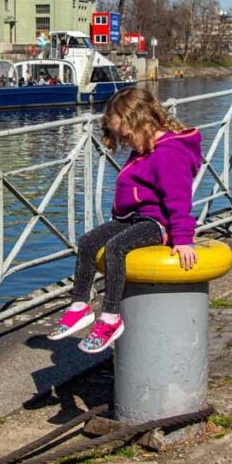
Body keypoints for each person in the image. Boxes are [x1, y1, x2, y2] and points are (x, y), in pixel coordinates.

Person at [47, 87, 202, 353]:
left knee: (117, 248)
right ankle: (79, 306)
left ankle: (110, 317)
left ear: (142, 121)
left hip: (157, 223)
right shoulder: (147, 145)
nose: (126, 143)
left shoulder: (168, 153)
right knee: (87, 243)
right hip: (133, 217)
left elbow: (179, 199)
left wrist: (184, 238)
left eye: (127, 137)